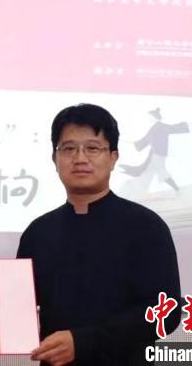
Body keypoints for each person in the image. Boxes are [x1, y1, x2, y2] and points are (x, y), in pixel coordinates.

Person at [17, 104, 181, 365]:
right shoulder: (37, 233)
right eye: (68, 149)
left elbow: (165, 313)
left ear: (113, 157)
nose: (80, 158)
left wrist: (83, 342)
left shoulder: (146, 226)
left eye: (93, 148)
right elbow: (15, 308)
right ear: (55, 159)